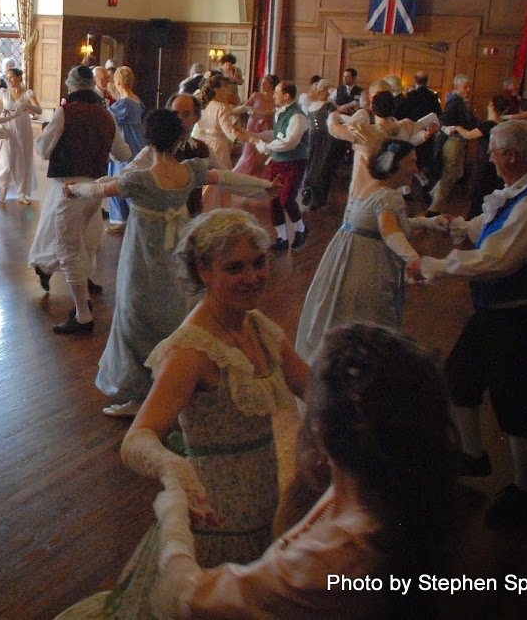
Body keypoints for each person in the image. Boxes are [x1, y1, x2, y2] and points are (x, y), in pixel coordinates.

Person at [57, 210, 308, 618]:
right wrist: (174, 469)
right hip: (212, 523)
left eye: (258, 262)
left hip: (262, 511)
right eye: (235, 268)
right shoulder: (192, 349)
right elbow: (137, 438)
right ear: (203, 271)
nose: (253, 277)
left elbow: (315, 387)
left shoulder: (258, 327)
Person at [144, 324, 456, 620]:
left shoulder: (329, 558)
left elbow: (190, 596)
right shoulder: (392, 488)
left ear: (321, 430)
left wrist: (172, 514)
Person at [408, 121, 527, 530]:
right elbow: (487, 228)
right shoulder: (520, 192)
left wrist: (435, 266)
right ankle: (473, 456)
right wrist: (455, 226)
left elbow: (498, 260)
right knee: (460, 377)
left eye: (493, 152)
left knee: (515, 402)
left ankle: (523, 487)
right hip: (499, 313)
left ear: (511, 156)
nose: (490, 158)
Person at [66, 111, 272, 419]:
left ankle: (140, 399)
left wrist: (72, 189)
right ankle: (177, 387)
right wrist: (265, 186)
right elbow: (227, 178)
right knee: (176, 316)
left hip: (143, 262)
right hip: (177, 255)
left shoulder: (138, 179)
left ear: (148, 140)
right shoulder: (189, 172)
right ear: (180, 139)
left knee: (134, 320)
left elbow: (99, 190)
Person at [294, 141, 426, 364]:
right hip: (366, 262)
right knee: (369, 319)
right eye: (410, 162)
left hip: (346, 256)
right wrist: (413, 257)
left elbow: (386, 224)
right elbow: (389, 231)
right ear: (394, 165)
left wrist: (429, 222)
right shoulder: (389, 196)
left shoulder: (372, 187)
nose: (415, 168)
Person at [30, 66, 131, 334]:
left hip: (68, 187)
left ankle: (83, 312)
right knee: (83, 238)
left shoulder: (66, 112)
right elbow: (123, 152)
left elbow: (42, 148)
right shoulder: (106, 115)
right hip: (95, 188)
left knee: (67, 245)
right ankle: (72, 288)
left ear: (72, 85)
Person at [252, 81, 310, 251]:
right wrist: (257, 136)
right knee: (274, 200)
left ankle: (301, 229)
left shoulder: (298, 116)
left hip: (294, 162)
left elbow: (290, 142)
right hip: (277, 162)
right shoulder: (279, 113)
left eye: (277, 92)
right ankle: (282, 238)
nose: (273, 95)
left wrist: (267, 147)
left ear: (286, 96)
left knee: (286, 198)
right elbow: (276, 134)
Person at [195, 75, 250, 210]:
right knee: (219, 180)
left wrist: (243, 108)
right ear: (217, 89)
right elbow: (229, 132)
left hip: (205, 143)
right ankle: (211, 210)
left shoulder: (205, 104)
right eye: (225, 87)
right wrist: (250, 139)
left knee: (212, 180)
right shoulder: (221, 107)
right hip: (219, 147)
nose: (229, 90)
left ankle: (216, 209)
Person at [0, 65, 42, 203]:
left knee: (22, 159)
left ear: (19, 77)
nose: (10, 80)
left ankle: (21, 193)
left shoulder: (28, 94)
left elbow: (39, 110)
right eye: (8, 78)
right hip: (6, 126)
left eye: (12, 77)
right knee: (6, 159)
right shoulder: (3, 93)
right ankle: (3, 186)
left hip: (22, 126)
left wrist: (28, 106)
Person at [454, 95, 509, 219]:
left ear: (491, 105)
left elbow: (468, 135)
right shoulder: (504, 124)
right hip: (496, 163)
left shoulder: (488, 125)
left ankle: (471, 224)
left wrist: (458, 127)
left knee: (478, 194)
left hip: (484, 163)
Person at [428, 74, 476, 215]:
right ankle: (434, 208)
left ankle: (433, 195)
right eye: (465, 87)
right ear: (457, 87)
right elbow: (443, 120)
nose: (468, 90)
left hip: (458, 141)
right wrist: (450, 128)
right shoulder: (455, 102)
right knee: (449, 174)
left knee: (454, 173)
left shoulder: (461, 101)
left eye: (469, 87)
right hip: (453, 142)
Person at [106, 66, 146, 230]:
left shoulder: (125, 103)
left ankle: (122, 219)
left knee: (120, 178)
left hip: (126, 141)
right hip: (137, 141)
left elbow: (108, 115)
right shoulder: (136, 100)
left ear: (118, 82)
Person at [298, 79, 338, 210]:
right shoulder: (329, 106)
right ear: (326, 90)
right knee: (323, 167)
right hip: (326, 139)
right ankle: (318, 198)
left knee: (312, 165)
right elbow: (335, 121)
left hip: (313, 137)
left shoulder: (312, 105)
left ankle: (308, 192)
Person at [232, 74, 277, 179]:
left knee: (263, 151)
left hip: (267, 125)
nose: (262, 85)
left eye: (265, 83)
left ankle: (260, 175)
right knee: (250, 148)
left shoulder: (276, 97)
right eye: (262, 83)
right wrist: (232, 110)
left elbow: (274, 112)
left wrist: (261, 113)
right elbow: (245, 107)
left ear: (271, 85)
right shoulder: (256, 95)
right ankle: (242, 174)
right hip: (253, 124)